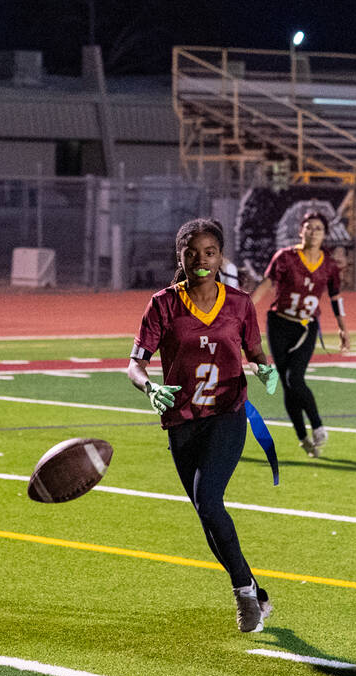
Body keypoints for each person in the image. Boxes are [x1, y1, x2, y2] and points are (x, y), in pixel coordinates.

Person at [127, 217, 278, 634]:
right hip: (182, 420)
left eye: (209, 252)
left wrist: (266, 371)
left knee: (210, 501)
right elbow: (134, 364)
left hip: (228, 414)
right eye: (191, 253)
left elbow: (254, 349)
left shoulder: (240, 303)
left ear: (220, 256)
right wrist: (148, 387)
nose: (200, 260)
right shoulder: (163, 304)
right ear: (180, 257)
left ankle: (243, 596)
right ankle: (256, 589)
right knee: (206, 513)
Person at [250, 211, 350, 457]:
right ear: (300, 230)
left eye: (319, 228)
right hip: (279, 323)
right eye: (309, 227)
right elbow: (265, 284)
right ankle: (302, 437)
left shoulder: (328, 265)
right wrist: (245, 310)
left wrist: (342, 327)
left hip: (306, 326)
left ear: (325, 234)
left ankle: (317, 425)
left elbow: (336, 297)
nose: (313, 231)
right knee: (286, 383)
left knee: (295, 378)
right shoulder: (285, 257)